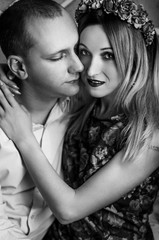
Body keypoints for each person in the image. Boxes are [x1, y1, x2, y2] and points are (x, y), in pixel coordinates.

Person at [0, 0, 159, 239]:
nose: (87, 69)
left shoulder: (148, 135)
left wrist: (23, 137)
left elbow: (68, 210)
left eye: (109, 55)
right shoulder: (83, 101)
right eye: (84, 52)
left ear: (134, 58)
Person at [0, 0, 83, 239]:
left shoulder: (80, 102)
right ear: (18, 67)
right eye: (58, 57)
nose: (78, 66)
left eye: (77, 49)